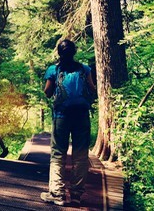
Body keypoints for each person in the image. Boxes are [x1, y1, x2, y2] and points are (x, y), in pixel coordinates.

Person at [40, 39, 96, 206]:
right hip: (81, 115)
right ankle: (77, 195)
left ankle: (57, 193)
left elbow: (48, 93)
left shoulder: (54, 69)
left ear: (59, 53)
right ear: (74, 52)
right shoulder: (84, 69)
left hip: (61, 116)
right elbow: (92, 90)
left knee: (58, 153)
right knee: (81, 155)